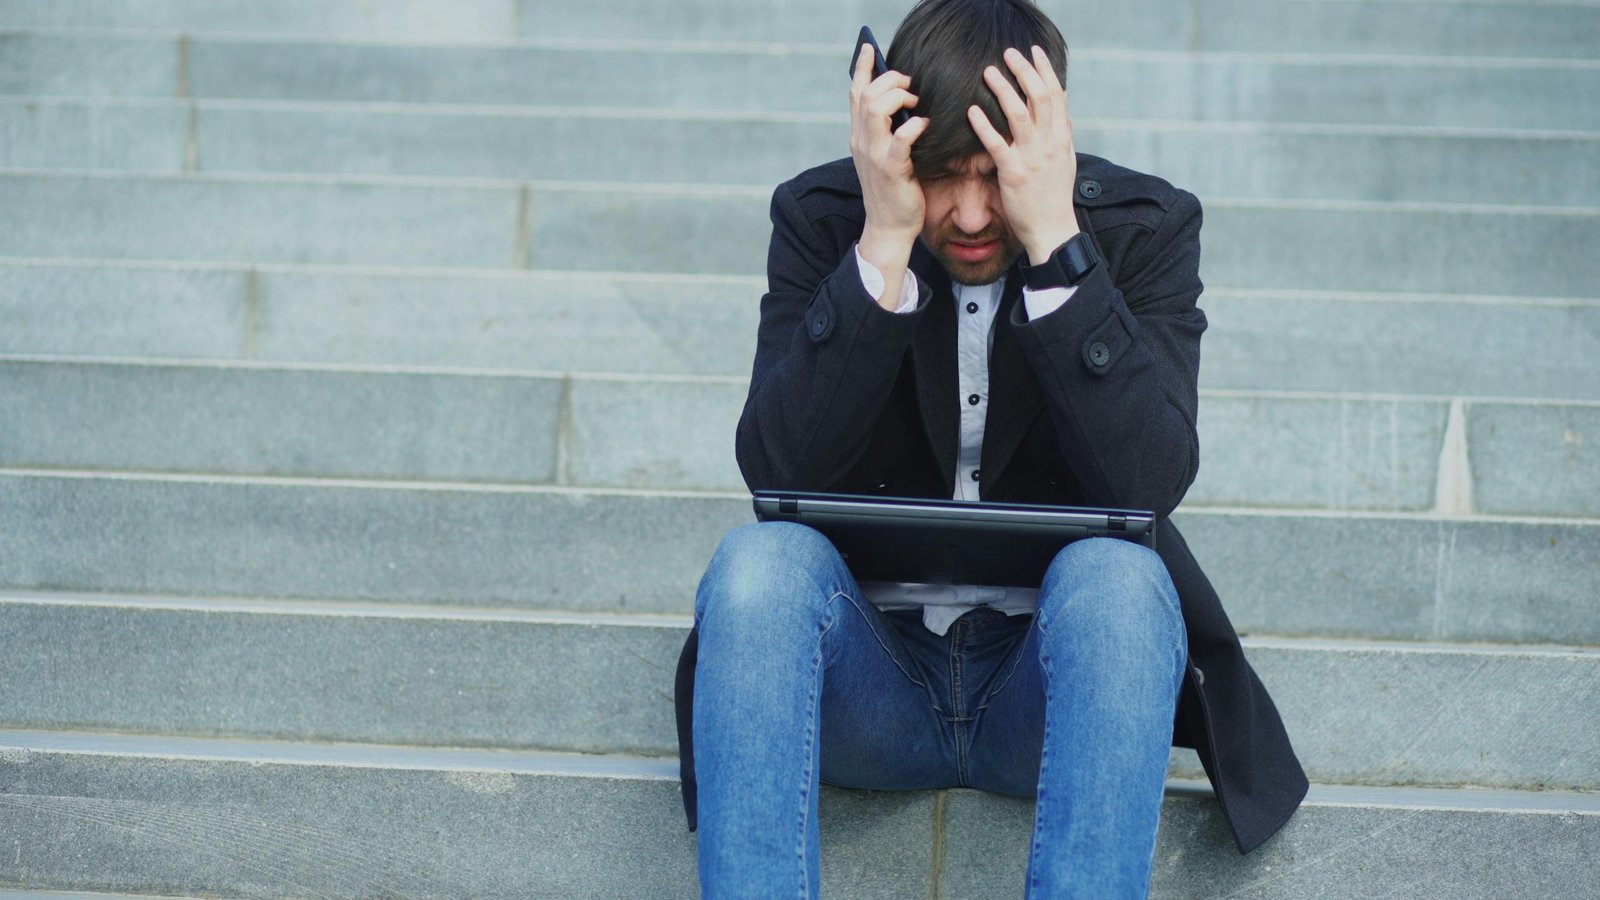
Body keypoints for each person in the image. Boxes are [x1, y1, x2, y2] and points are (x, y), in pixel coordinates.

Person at [673, 1, 1308, 895]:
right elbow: (777, 469)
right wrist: (884, 242)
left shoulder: (1141, 231)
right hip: (869, 682)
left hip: (1051, 693)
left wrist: (1056, 245)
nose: (970, 213)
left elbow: (1151, 479)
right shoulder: (827, 220)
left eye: (994, 175)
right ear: (895, 152)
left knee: (1123, 579)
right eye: (939, 177)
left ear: (1044, 146)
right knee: (756, 566)